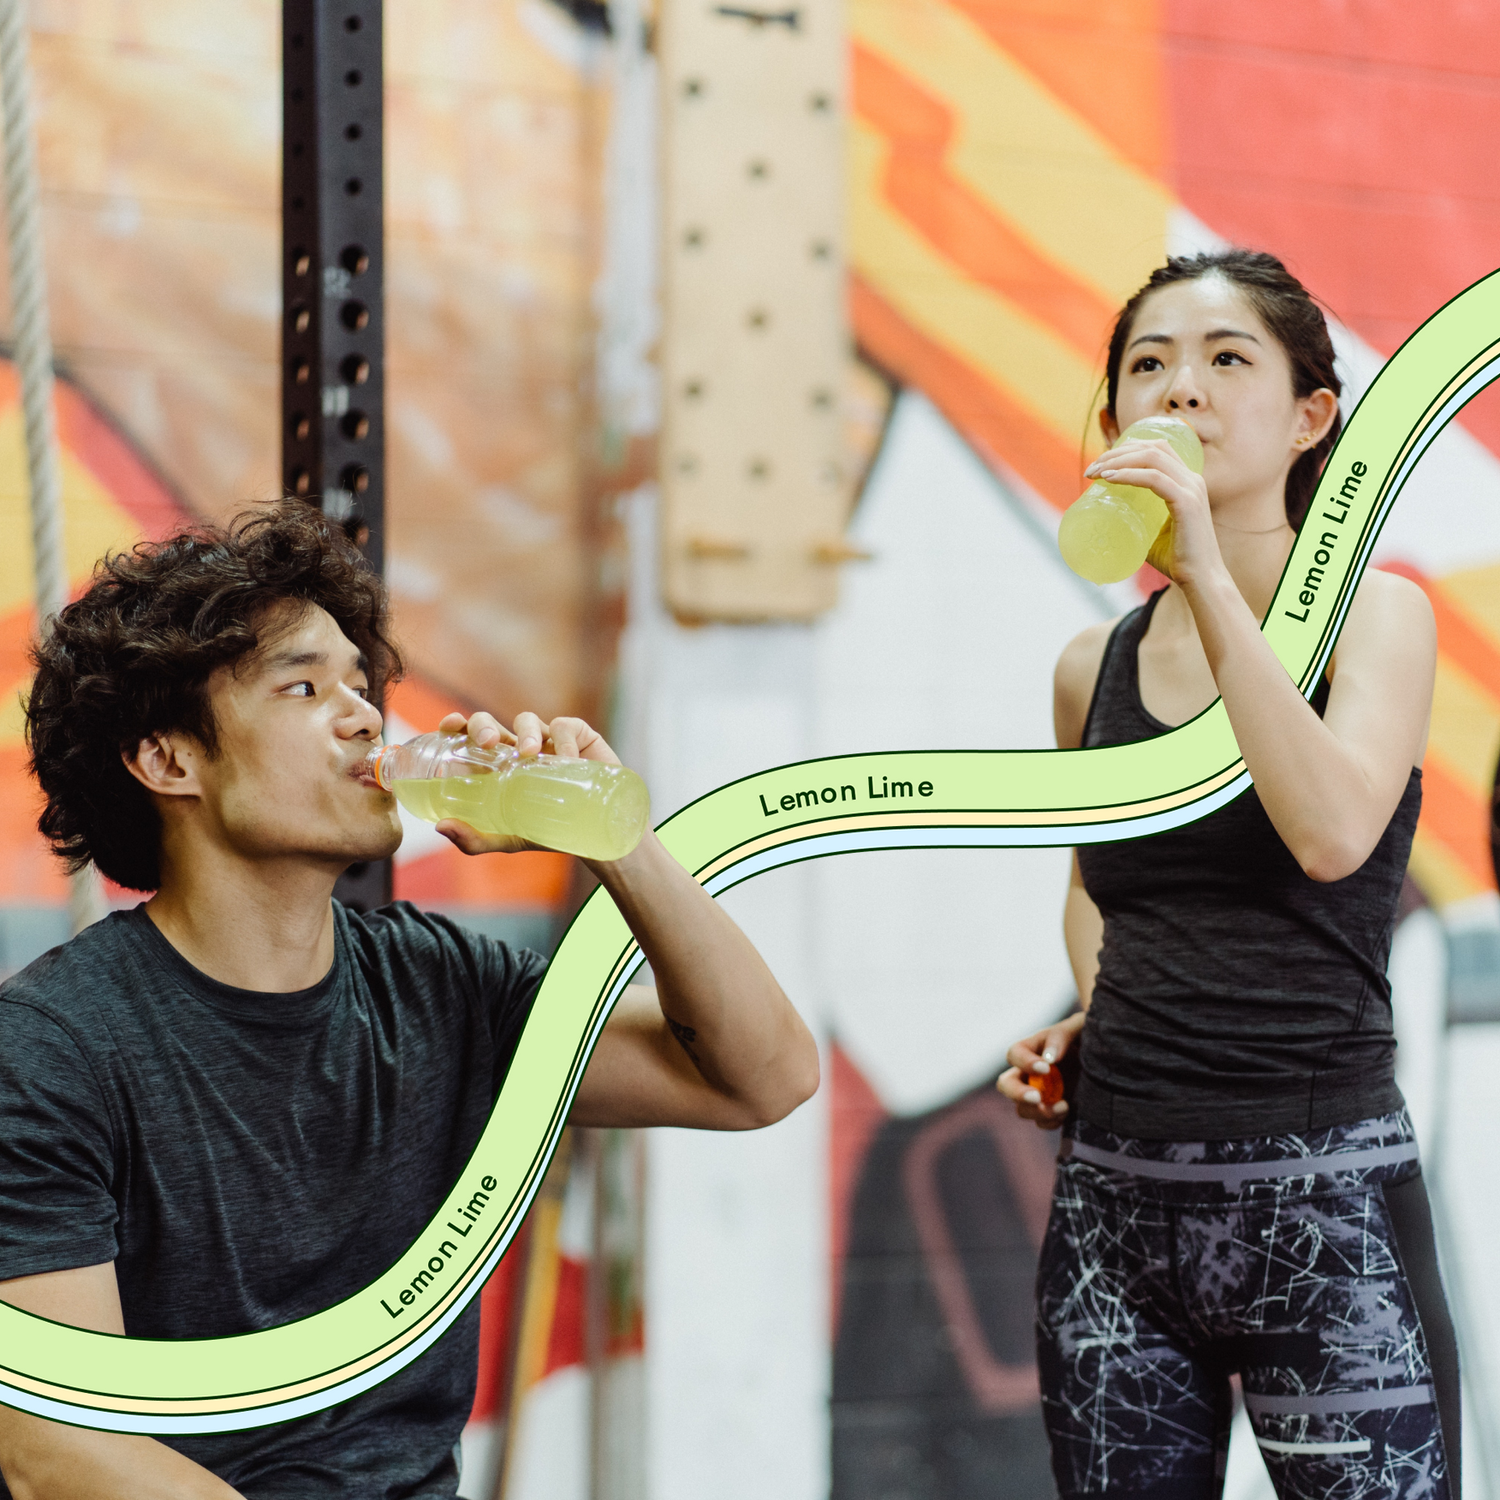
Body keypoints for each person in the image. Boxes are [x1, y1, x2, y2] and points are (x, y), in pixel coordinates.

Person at [0, 506, 819, 1499]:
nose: (364, 718)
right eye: (305, 687)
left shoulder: (441, 986)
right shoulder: (49, 1051)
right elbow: (55, 1449)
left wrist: (617, 841)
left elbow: (760, 1078)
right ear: (169, 760)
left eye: (359, 685)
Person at [996, 250, 1459, 1500]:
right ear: (1113, 419)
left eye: (1225, 358)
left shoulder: (1378, 618)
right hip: (1113, 1214)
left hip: (1325, 1210)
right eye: (1148, 365)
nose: (1180, 389)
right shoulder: (1089, 665)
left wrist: (1204, 571)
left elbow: (1330, 835)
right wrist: (1098, 1009)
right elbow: (1097, 886)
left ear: (1312, 418)